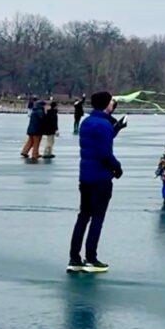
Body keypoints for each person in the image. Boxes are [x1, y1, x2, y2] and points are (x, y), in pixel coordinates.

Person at [68, 92, 123, 273]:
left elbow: (96, 145)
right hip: (100, 178)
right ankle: (91, 257)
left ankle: (75, 258)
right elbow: (104, 153)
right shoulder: (104, 124)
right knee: (97, 218)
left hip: (85, 177)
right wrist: (117, 167)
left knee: (83, 216)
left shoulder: (87, 122)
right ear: (107, 104)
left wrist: (116, 129)